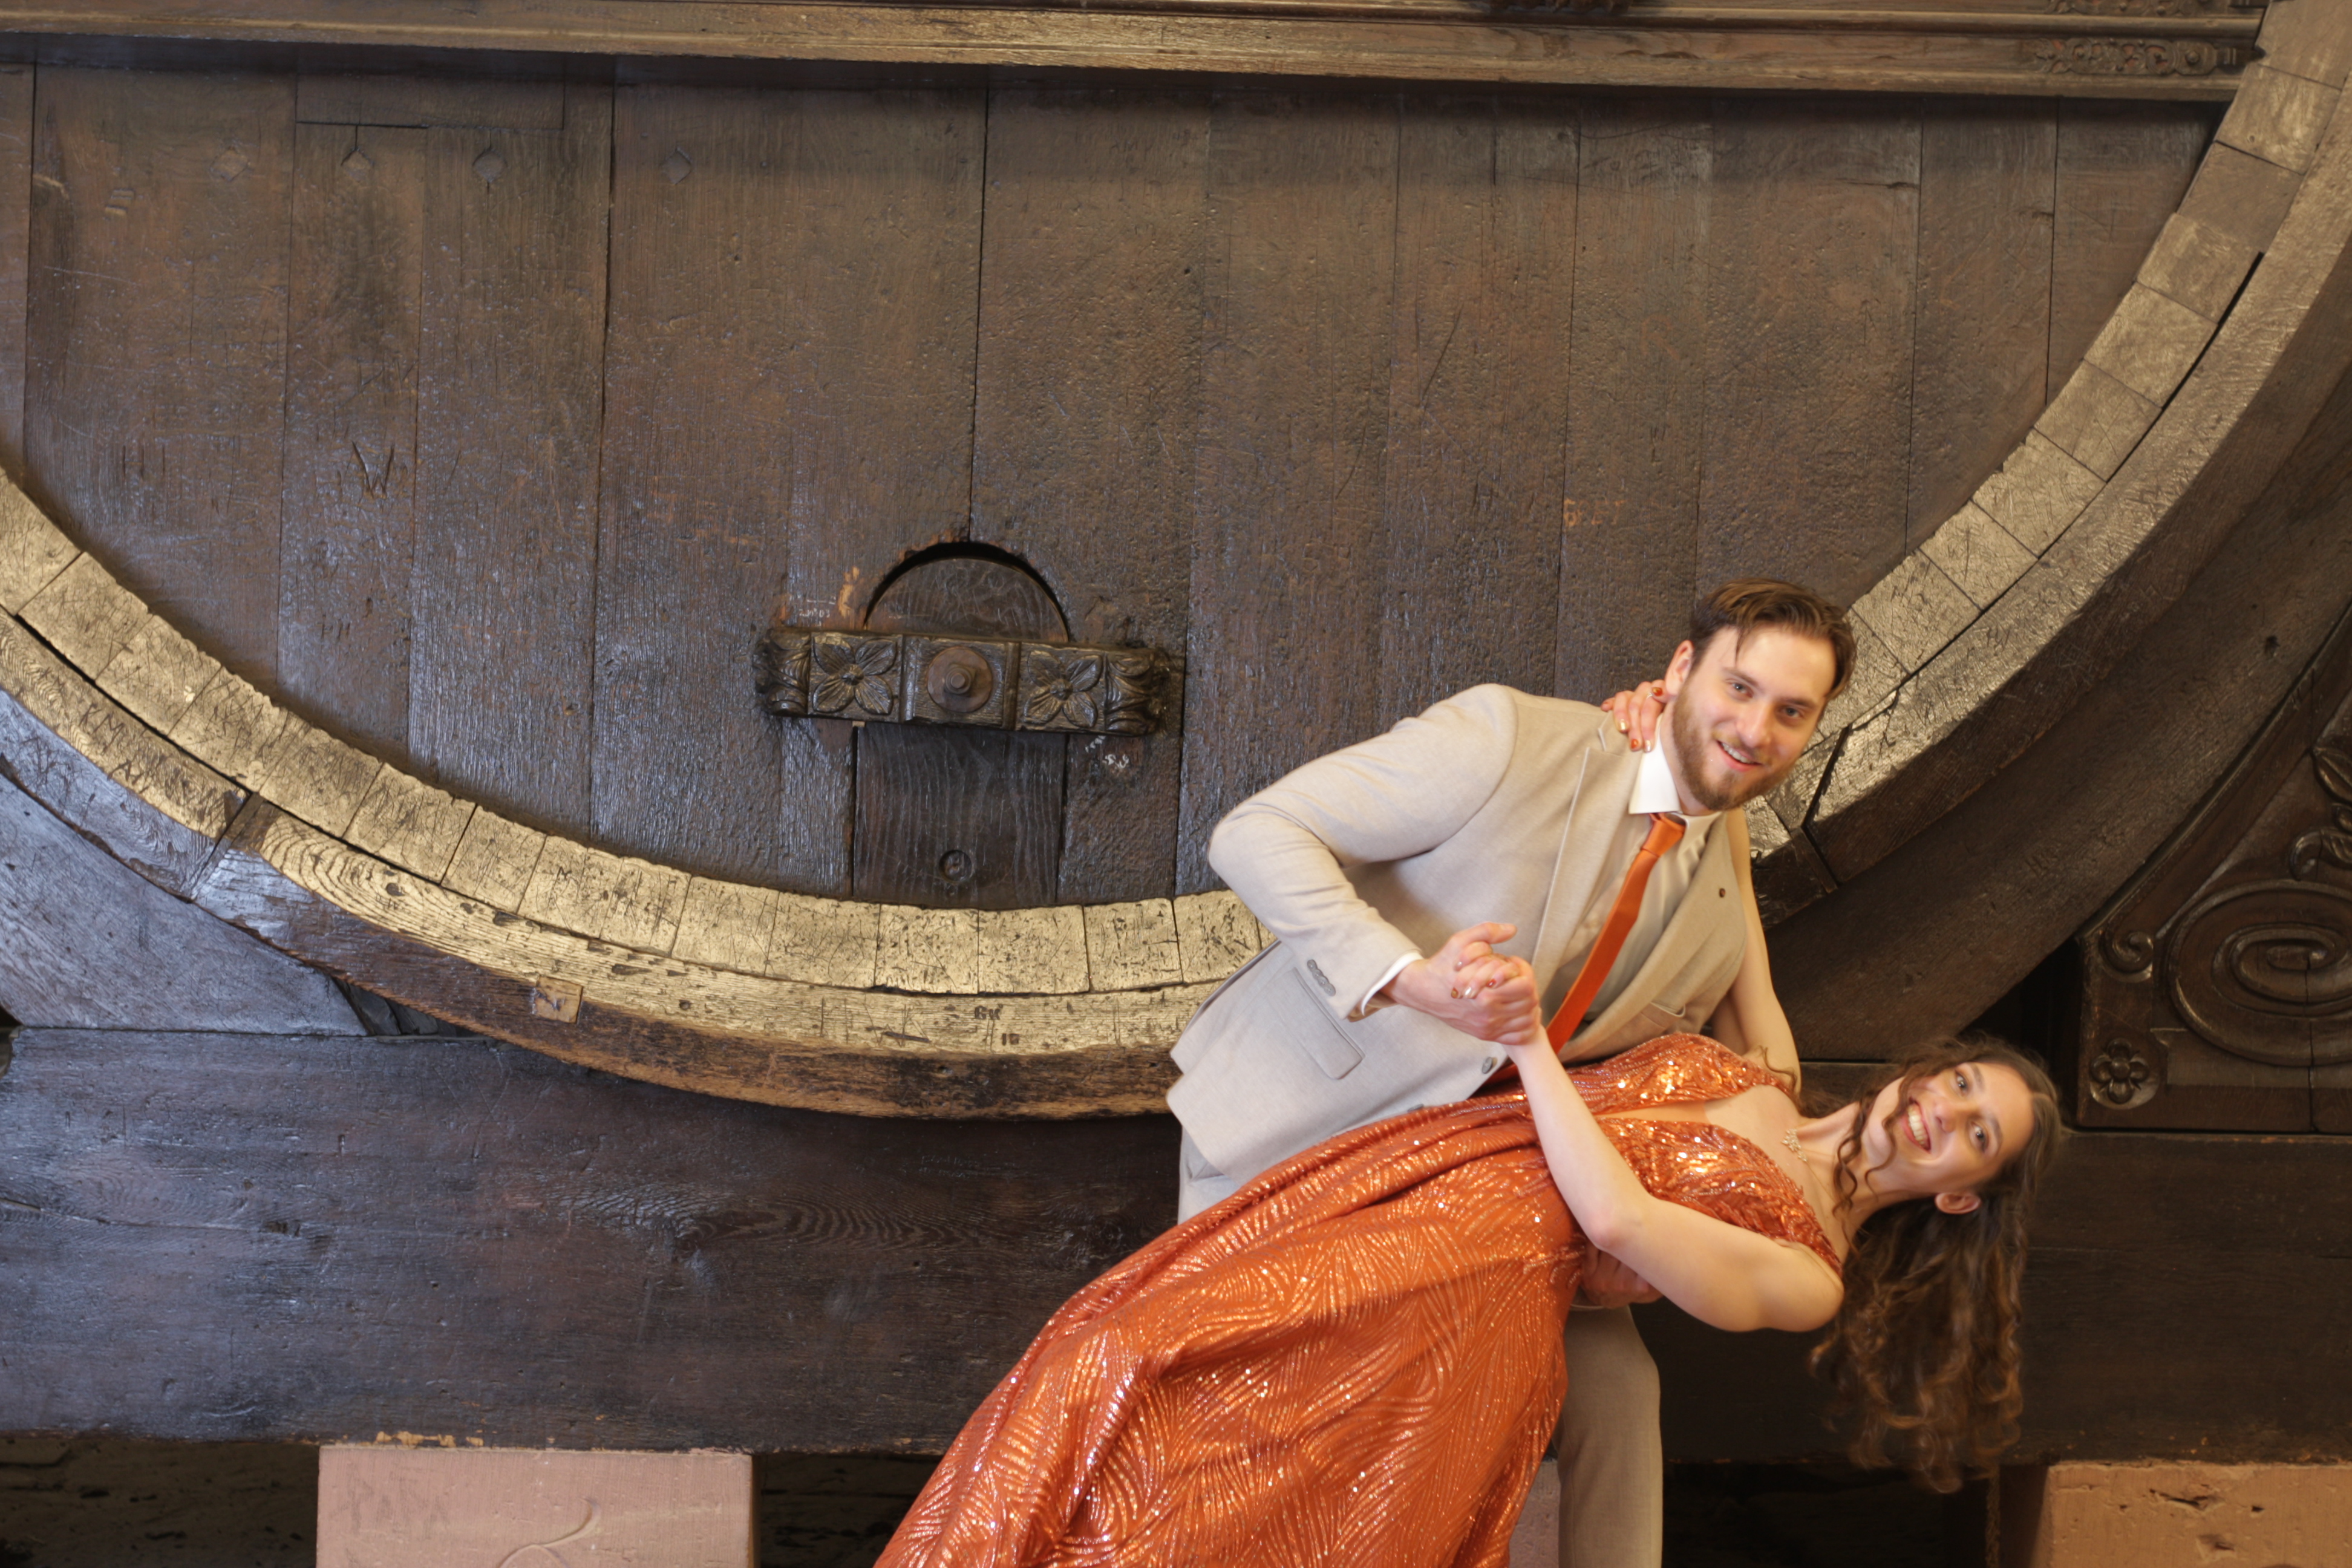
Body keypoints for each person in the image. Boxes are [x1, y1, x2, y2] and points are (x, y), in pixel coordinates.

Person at [1164, 579, 1852, 1567]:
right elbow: (1255, 834)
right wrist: (1408, 979)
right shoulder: (1512, 739)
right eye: (1738, 689)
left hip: (1485, 1200)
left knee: (1620, 1390)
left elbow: (1765, 1065)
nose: (1755, 728)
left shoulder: (1718, 868)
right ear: (1680, 669)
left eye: (1791, 712)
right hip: (1305, 1137)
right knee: (1313, 1443)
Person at [875, 1027, 2065, 1568]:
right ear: (1931, 1063)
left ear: (1964, 1194)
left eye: (1978, 1135)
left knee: (1196, 1452)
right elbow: (1726, 841)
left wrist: (1530, 1044)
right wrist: (1676, 722)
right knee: (1106, 1352)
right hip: (1404, 1183)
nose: (1945, 1114)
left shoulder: (1808, 1275)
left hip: (1473, 1280)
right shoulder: (1776, 1066)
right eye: (1963, 1083)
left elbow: (1620, 1223)